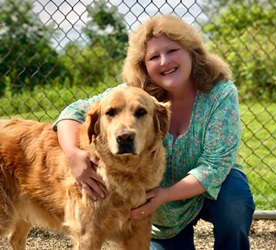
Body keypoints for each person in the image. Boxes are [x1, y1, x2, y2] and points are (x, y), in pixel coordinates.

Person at [53, 15, 255, 250]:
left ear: (191, 51)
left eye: (172, 51)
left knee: (234, 200)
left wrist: (167, 194)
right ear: (144, 66)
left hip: (207, 190)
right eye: (153, 57)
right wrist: (72, 155)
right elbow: (72, 112)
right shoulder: (137, 93)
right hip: (158, 210)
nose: (164, 62)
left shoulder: (220, 94)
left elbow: (215, 165)